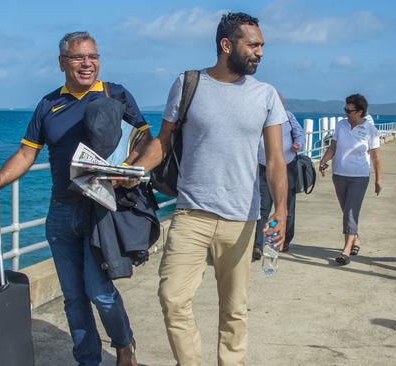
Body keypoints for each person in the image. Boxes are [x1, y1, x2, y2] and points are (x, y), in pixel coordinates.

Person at [0, 31, 150, 366]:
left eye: (93, 56)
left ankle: (124, 346)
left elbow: (144, 138)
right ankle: (87, 360)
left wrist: (129, 168)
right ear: (62, 62)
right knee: (74, 298)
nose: (87, 63)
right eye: (79, 57)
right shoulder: (49, 105)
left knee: (100, 292)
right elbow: (26, 154)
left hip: (101, 209)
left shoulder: (116, 94)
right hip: (62, 212)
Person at [130, 12, 288, 366]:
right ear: (227, 45)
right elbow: (163, 142)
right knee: (172, 297)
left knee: (234, 310)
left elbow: (276, 160)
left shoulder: (266, 96)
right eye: (254, 44)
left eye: (262, 45)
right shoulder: (188, 84)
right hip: (191, 214)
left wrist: (281, 208)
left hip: (242, 218)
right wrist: (134, 171)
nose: (260, 52)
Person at [319, 93, 382, 266]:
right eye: (345, 109)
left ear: (360, 112)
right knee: (347, 210)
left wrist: (378, 180)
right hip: (339, 175)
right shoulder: (341, 125)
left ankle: (346, 250)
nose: (346, 113)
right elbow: (333, 147)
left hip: (359, 176)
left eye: (349, 110)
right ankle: (356, 239)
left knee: (351, 212)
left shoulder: (370, 129)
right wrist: (323, 161)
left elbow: (376, 156)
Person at [252, 93, 305, 260]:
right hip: (262, 166)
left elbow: (299, 133)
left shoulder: (288, 116)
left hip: (287, 166)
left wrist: (298, 144)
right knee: (262, 207)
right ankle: (257, 245)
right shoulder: (258, 117)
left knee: (286, 206)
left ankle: (285, 239)